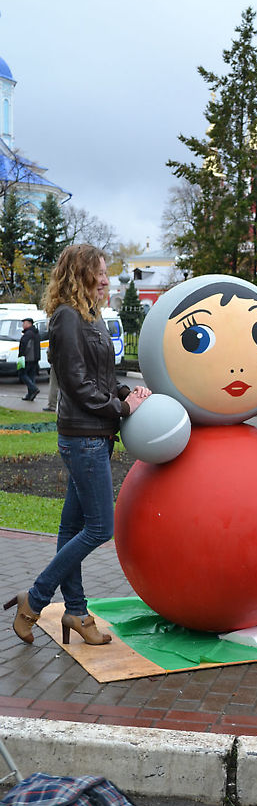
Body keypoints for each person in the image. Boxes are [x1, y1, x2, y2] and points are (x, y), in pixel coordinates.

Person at [3, 244, 151, 647]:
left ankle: (77, 612)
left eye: (106, 272)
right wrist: (119, 407)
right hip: (83, 437)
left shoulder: (92, 315)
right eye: (99, 272)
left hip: (95, 435)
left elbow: (100, 376)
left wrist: (127, 392)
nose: (106, 279)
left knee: (71, 528)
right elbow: (74, 382)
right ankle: (33, 600)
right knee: (100, 526)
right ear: (80, 274)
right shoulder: (67, 317)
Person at [18, 317, 41, 401]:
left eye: (24, 323)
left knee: (22, 374)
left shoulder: (28, 334)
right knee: (31, 376)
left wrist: (21, 356)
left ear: (29, 324)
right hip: (35, 357)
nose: (23, 325)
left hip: (27, 358)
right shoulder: (36, 333)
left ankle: (33, 389)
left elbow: (25, 346)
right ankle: (30, 395)